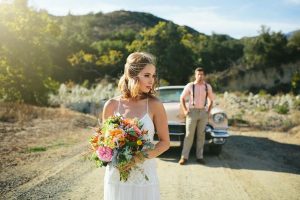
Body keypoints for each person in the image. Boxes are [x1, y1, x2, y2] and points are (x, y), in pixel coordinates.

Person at [101, 52, 170, 200]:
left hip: (143, 176)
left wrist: (137, 158)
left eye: (153, 75)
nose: (152, 80)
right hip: (116, 175)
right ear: (132, 75)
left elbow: (165, 142)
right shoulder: (111, 105)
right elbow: (104, 141)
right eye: (146, 75)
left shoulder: (154, 105)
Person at [178, 67, 214, 165]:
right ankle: (184, 157)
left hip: (203, 112)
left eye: (202, 74)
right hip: (192, 112)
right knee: (189, 135)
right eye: (198, 74)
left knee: (201, 136)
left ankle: (200, 157)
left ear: (204, 75)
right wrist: (185, 110)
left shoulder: (207, 87)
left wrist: (208, 111)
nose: (200, 76)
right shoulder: (190, 86)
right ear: (195, 75)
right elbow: (182, 98)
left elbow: (211, 100)